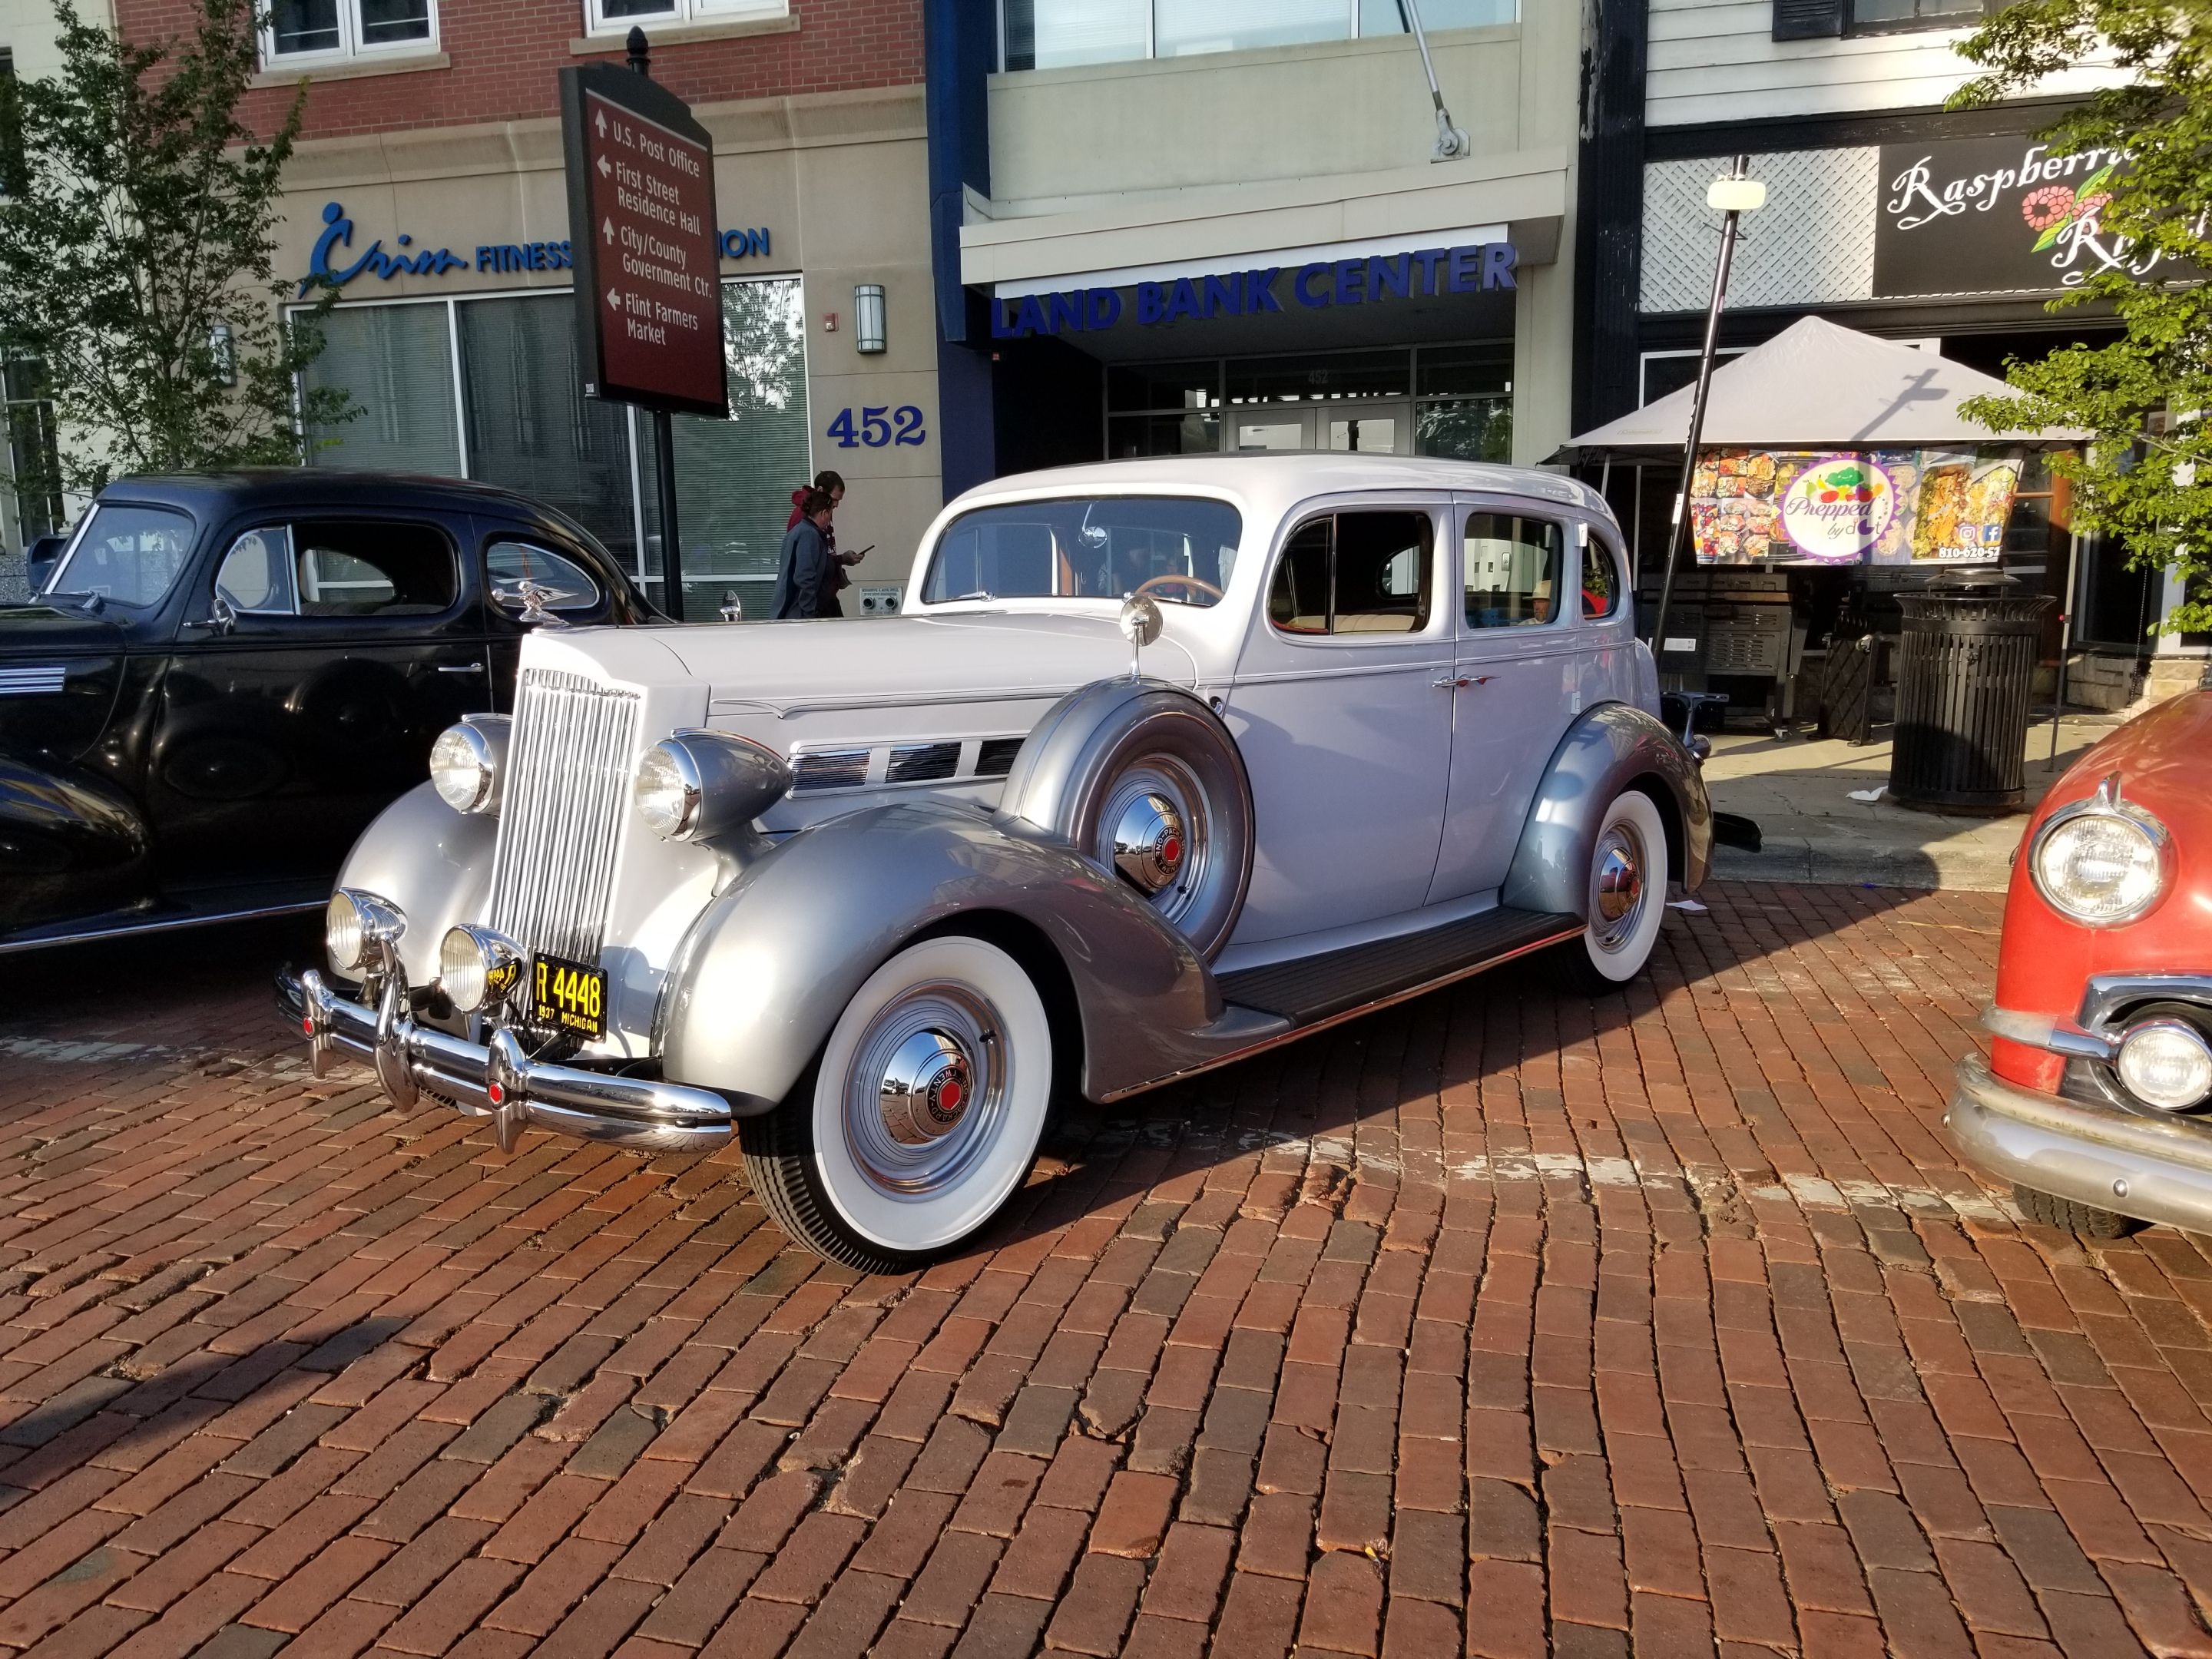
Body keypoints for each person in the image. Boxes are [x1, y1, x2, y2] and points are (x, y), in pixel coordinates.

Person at [786, 469, 864, 614]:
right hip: (815, 600)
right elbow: (803, 567)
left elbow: (821, 555)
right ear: (820, 490)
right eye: (834, 499)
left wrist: (841, 559)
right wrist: (809, 611)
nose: (836, 506)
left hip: (825, 593)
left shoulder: (820, 512)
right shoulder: (803, 517)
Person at [771, 489, 839, 620]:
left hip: (790, 612)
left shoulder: (797, 532)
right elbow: (804, 577)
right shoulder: (809, 535)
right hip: (798, 614)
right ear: (824, 513)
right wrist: (810, 613)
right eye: (831, 512)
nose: (830, 517)